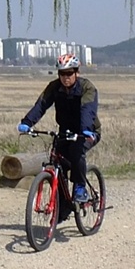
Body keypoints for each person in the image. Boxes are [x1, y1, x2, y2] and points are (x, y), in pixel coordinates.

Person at [17, 52, 101, 202]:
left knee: (76, 152)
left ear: (77, 72)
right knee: (58, 162)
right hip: (65, 131)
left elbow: (87, 109)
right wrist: (27, 123)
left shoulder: (87, 88)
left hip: (88, 131)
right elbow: (41, 105)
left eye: (69, 73)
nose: (65, 77)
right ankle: (61, 209)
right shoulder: (54, 87)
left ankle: (80, 187)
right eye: (62, 73)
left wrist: (86, 129)